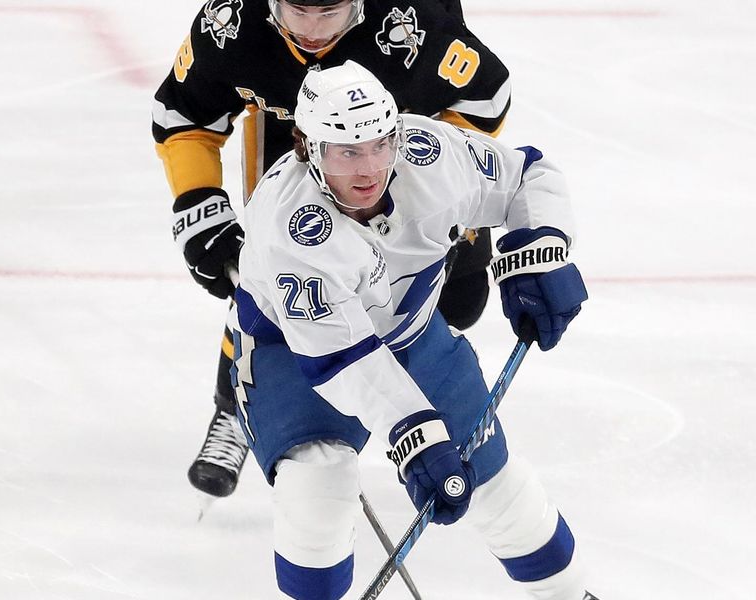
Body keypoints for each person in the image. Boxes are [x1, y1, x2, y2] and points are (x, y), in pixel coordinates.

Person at [231, 61, 595, 599]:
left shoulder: (432, 154)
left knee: (496, 483)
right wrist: (415, 435)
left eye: (380, 144)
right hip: (295, 356)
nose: (369, 167)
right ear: (307, 147)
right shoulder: (293, 228)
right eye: (346, 151)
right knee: (318, 486)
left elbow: (529, 176)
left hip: (413, 333)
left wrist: (540, 249)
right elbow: (340, 359)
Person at [153, 0, 513, 499]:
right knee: (271, 278)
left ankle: (410, 399)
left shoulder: (413, 20)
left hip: (406, 152)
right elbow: (183, 111)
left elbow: (485, 97)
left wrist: (442, 190)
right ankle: (241, 403)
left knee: (461, 301)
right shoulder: (234, 20)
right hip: (297, 145)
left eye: (331, 15)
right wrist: (198, 202)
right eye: (297, 12)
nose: (312, 33)